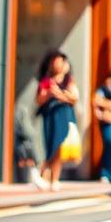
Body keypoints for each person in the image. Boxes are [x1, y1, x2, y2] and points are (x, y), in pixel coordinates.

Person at [35, 52, 79, 192]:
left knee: (60, 145)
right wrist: (48, 94)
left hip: (64, 114)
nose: (57, 64)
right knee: (50, 144)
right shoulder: (45, 81)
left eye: (60, 61)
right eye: (54, 62)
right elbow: (39, 100)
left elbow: (74, 98)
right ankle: (45, 174)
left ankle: (53, 178)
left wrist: (59, 94)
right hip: (50, 115)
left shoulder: (68, 80)